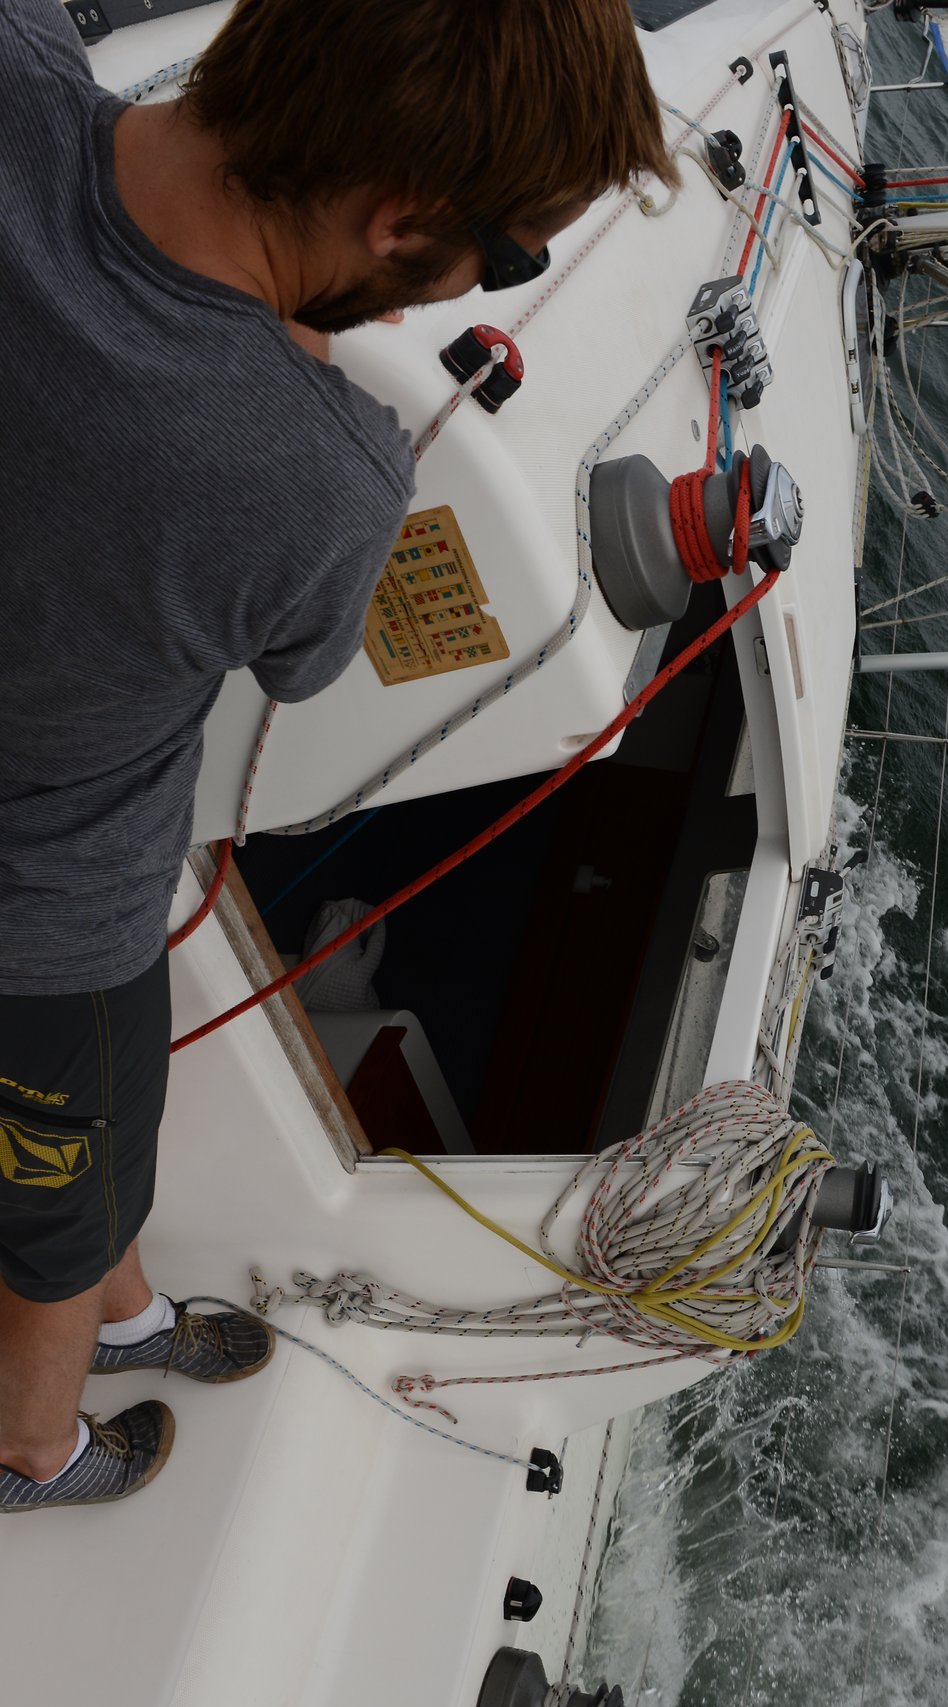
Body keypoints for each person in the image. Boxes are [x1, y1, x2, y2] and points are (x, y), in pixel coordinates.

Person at [0, 0, 677, 1513]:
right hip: (43, 932)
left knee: (102, 1155)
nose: (491, 284)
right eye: (500, 258)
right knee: (46, 1218)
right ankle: (38, 1447)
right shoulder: (321, 477)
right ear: (399, 220)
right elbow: (301, 664)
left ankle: (128, 1311)